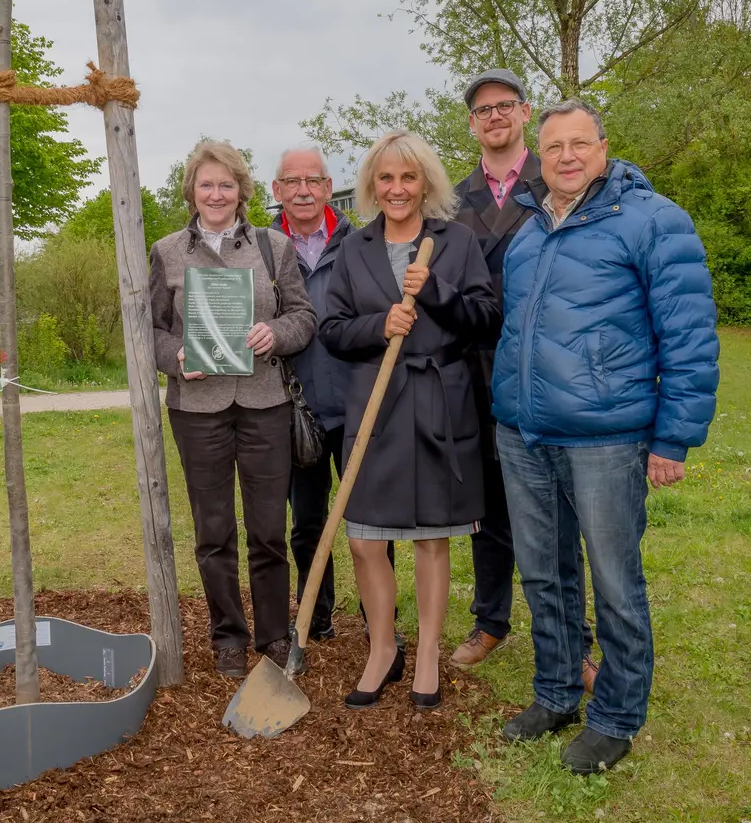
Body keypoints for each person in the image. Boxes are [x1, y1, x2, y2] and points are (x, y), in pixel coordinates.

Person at [492, 98, 720, 774]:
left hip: (607, 439)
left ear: (603, 146)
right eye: (553, 146)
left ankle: (616, 717)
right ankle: (557, 693)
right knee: (544, 574)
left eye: (578, 143)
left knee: (615, 582)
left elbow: (689, 335)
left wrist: (673, 438)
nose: (565, 156)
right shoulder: (529, 232)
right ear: (539, 155)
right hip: (525, 434)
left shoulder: (652, 220)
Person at [319, 130, 501, 711]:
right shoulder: (354, 248)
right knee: (364, 540)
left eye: (408, 177)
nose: (397, 188)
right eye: (386, 178)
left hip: (436, 403)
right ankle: (381, 649)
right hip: (375, 406)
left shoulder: (458, 241)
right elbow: (332, 330)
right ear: (372, 185)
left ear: (425, 184)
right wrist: (379, 326)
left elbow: (487, 319)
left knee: (429, 538)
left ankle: (426, 655)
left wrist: (439, 293)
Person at [446, 69, 594, 691]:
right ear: (472, 123)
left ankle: (574, 637)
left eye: (505, 104)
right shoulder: (451, 199)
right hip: (474, 370)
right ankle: (490, 619)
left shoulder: (558, 180)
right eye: (483, 109)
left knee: (556, 510)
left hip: (549, 368)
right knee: (486, 506)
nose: (495, 116)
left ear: (526, 112)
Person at [148, 139, 318, 679]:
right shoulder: (167, 251)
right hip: (197, 410)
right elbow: (149, 330)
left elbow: (303, 316)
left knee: (268, 529)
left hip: (265, 403)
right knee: (213, 530)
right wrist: (176, 356)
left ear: (241, 191)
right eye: (206, 185)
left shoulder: (273, 246)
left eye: (226, 184)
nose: (216, 194)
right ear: (192, 191)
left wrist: (276, 333)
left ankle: (273, 634)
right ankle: (228, 637)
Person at [267, 146, 396, 643]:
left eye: (312, 181)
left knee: (372, 522)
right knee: (307, 522)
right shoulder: (261, 248)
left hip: (357, 403)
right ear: (277, 190)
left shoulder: (361, 243)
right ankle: (314, 616)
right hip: (296, 409)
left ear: (327, 187)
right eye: (291, 181)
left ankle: (379, 622)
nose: (303, 190)